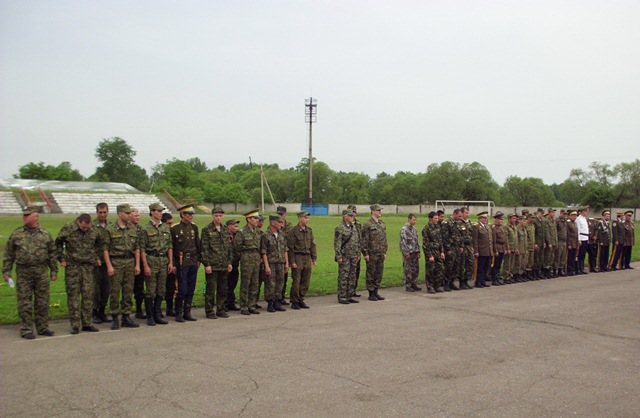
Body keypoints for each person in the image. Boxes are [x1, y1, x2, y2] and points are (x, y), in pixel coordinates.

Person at [3, 205, 58, 339]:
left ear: (35, 217)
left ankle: (42, 327)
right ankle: (26, 328)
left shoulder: (44, 234)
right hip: (23, 272)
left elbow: (52, 253)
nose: (24, 217)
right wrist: (7, 271)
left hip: (41, 271)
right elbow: (9, 254)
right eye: (24, 215)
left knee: (42, 301)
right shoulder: (17, 234)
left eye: (28, 215)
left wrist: (54, 271)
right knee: (24, 302)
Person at [55, 213, 102, 334]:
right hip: (73, 267)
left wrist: (96, 257)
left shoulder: (94, 230)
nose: (85, 229)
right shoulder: (68, 228)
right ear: (78, 222)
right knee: (73, 296)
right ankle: (75, 324)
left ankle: (87, 323)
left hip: (88, 267)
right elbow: (58, 243)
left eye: (87, 227)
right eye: (83, 227)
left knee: (88, 295)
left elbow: (99, 244)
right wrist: (61, 258)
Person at [102, 204, 141, 329]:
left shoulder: (132, 229)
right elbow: (105, 249)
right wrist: (109, 266)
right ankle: (114, 317)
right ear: (120, 213)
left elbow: (137, 248)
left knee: (128, 290)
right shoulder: (110, 229)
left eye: (130, 213)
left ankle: (126, 316)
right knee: (114, 291)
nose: (130, 215)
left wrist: (137, 264)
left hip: (129, 262)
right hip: (116, 262)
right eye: (127, 213)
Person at [139, 203, 173, 326]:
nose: (160, 213)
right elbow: (142, 248)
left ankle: (157, 314)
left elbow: (169, 246)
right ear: (152, 212)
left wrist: (170, 262)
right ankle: (150, 316)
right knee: (151, 290)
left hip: (163, 260)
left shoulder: (165, 227)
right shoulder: (145, 228)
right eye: (158, 211)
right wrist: (145, 266)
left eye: (161, 211)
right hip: (151, 260)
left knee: (161, 289)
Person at [171, 204, 201, 322]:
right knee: (182, 289)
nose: (191, 216)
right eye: (188, 214)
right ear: (182, 215)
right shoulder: (175, 228)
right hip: (182, 262)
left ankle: (187, 311)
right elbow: (172, 247)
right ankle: (178, 312)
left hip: (193, 261)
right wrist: (173, 263)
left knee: (191, 288)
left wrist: (199, 259)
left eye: (192, 214)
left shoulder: (194, 227)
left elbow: (197, 244)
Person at [200, 207, 232, 319]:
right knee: (210, 289)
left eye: (220, 216)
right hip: (212, 264)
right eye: (216, 215)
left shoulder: (224, 229)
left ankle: (220, 309)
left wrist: (229, 262)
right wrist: (207, 264)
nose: (218, 218)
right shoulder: (207, 230)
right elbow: (204, 249)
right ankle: (209, 311)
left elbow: (228, 248)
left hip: (223, 264)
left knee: (223, 288)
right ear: (212, 216)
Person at [287, 211, 317, 309]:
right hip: (297, 256)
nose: (307, 220)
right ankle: (294, 300)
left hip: (307, 256)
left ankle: (301, 298)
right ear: (299, 218)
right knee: (297, 280)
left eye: (308, 218)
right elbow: (290, 248)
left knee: (306, 280)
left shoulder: (309, 231)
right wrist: (292, 261)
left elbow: (312, 245)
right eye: (305, 218)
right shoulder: (293, 231)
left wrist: (314, 258)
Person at [235, 210, 262, 315]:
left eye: (257, 218)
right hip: (246, 257)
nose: (257, 220)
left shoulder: (258, 231)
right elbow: (237, 248)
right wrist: (242, 258)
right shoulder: (242, 232)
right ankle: (244, 306)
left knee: (255, 282)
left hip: (256, 257)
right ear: (248, 219)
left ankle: (252, 305)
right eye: (255, 218)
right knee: (246, 282)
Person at [262, 214, 290, 311]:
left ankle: (277, 302)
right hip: (271, 263)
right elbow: (264, 252)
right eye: (279, 222)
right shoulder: (266, 235)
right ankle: (270, 302)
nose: (281, 224)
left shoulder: (282, 234)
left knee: (280, 282)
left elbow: (285, 249)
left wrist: (286, 263)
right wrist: (266, 266)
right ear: (273, 223)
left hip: (281, 262)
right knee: (270, 283)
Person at [361, 204, 388, 300]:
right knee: (370, 273)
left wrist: (385, 252)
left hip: (380, 252)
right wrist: (365, 253)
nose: (380, 212)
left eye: (380, 210)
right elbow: (364, 240)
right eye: (378, 210)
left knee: (379, 273)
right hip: (372, 253)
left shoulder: (382, 224)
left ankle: (376, 291)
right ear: (372, 211)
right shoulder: (367, 224)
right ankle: (371, 292)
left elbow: (384, 239)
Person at [334, 210, 361, 304]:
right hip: (345, 256)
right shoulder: (340, 228)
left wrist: (358, 254)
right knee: (344, 276)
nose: (352, 217)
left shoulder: (354, 227)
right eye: (350, 216)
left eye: (352, 216)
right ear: (345, 216)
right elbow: (337, 243)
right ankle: (342, 296)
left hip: (353, 255)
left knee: (352, 275)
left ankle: (350, 295)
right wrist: (338, 256)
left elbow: (357, 241)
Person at [92, 202, 111, 324]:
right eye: (100, 212)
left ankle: (102, 312)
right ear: (97, 212)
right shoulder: (92, 226)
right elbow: (88, 245)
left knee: (106, 288)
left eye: (104, 212)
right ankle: (94, 312)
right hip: (95, 263)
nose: (102, 214)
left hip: (108, 262)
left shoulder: (111, 226)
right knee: (95, 289)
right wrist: (95, 258)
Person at [422, 211, 445, 294]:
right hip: (431, 251)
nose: (437, 220)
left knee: (440, 268)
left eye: (437, 218)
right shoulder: (426, 229)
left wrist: (442, 251)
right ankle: (430, 286)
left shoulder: (438, 227)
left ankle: (437, 285)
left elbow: (440, 240)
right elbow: (425, 244)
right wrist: (429, 255)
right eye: (435, 218)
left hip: (438, 251)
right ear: (430, 219)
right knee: (430, 270)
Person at [130, 209, 147, 320]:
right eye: (135, 216)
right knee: (127, 288)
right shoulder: (127, 229)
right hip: (127, 261)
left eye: (138, 216)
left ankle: (139, 309)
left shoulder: (141, 229)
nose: (137, 217)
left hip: (139, 262)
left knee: (139, 287)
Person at [441, 209, 462, 291]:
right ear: (454, 214)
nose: (460, 218)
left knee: (456, 266)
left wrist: (461, 246)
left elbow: (459, 235)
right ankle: (446, 283)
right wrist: (448, 248)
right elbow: (445, 237)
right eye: (459, 216)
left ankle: (452, 282)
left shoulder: (457, 223)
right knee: (449, 266)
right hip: (450, 248)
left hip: (456, 247)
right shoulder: (447, 223)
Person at [400, 214, 421, 292]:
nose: (415, 221)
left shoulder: (414, 229)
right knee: (408, 269)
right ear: (409, 219)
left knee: (415, 269)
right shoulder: (404, 229)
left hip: (415, 251)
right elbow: (403, 242)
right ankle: (408, 285)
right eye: (413, 220)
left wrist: (418, 251)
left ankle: (414, 283)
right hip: (409, 252)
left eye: (415, 220)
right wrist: (406, 253)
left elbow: (416, 240)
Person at [161, 213, 177, 316]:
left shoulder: (173, 233)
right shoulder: (161, 233)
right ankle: (156, 309)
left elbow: (175, 250)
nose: (171, 225)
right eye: (169, 223)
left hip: (171, 263)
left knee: (171, 287)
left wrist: (174, 264)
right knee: (159, 287)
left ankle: (169, 308)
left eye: (172, 223)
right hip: (160, 262)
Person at [277, 206, 294, 305]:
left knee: (284, 277)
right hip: (276, 254)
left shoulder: (290, 227)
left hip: (287, 254)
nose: (280, 216)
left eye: (281, 214)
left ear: (285, 214)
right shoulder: (274, 226)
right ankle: (277, 298)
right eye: (278, 214)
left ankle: (282, 297)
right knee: (276, 279)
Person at [472, 212, 492, 288]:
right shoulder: (476, 227)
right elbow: (475, 240)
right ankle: (478, 281)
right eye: (484, 218)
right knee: (480, 267)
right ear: (479, 218)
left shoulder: (487, 227)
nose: (485, 219)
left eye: (486, 218)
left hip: (487, 251)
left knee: (486, 267)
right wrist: (476, 250)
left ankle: (483, 281)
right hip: (481, 250)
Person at [347, 204, 363, 297]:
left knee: (356, 272)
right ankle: (346, 291)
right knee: (346, 273)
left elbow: (360, 239)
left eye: (354, 212)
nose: (353, 215)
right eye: (351, 213)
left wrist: (359, 252)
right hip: (347, 252)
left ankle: (353, 290)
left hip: (356, 252)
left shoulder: (358, 224)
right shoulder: (344, 224)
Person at [457, 207, 475, 290]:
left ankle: (466, 280)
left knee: (470, 264)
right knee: (462, 264)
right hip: (462, 246)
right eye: (466, 213)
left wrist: (472, 246)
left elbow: (471, 235)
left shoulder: (469, 223)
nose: (467, 214)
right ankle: (461, 282)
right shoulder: (459, 223)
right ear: (462, 213)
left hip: (469, 246)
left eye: (468, 213)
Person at [225, 219, 241, 311]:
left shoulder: (237, 235)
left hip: (235, 263)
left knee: (233, 283)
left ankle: (231, 302)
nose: (237, 228)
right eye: (235, 226)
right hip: (226, 263)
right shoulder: (224, 236)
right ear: (229, 227)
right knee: (226, 284)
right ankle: (225, 303)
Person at [490, 211, 506, 286]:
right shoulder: (494, 228)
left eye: (502, 219)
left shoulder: (501, 228)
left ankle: (497, 278)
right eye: (500, 219)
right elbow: (494, 240)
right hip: (497, 248)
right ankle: (494, 279)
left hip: (502, 248)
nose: (501, 221)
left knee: (499, 265)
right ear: (496, 220)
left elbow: (504, 239)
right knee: (495, 265)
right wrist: (495, 250)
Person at [503, 213, 518, 284]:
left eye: (515, 218)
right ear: (509, 219)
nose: (514, 220)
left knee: (512, 263)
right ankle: (506, 277)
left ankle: (510, 275)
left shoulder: (514, 227)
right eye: (513, 218)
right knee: (507, 264)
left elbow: (515, 238)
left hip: (514, 248)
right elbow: (506, 239)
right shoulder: (506, 227)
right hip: (509, 248)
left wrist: (516, 248)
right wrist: (507, 248)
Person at [576, 207, 590, 274]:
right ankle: (579, 268)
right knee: (580, 254)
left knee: (583, 254)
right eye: (585, 211)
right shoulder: (578, 219)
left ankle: (582, 267)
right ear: (582, 212)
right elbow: (578, 230)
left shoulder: (584, 219)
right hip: (581, 237)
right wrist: (579, 239)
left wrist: (587, 239)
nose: (586, 213)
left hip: (585, 237)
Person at [555, 210, 568, 277]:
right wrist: (556, 241)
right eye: (563, 214)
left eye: (565, 214)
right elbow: (555, 232)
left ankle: (561, 269)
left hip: (564, 240)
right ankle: (555, 270)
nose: (565, 215)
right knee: (558, 256)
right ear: (560, 213)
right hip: (559, 240)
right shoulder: (557, 221)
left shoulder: (565, 221)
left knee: (563, 256)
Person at [533, 208, 545, 279]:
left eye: (543, 213)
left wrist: (544, 242)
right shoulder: (535, 221)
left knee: (540, 258)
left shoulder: (542, 221)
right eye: (541, 213)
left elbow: (543, 233)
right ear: (538, 213)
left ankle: (538, 272)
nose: (542, 215)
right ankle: (534, 272)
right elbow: (534, 233)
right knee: (536, 259)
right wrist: (535, 243)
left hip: (541, 243)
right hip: (537, 242)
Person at [567, 211, 579, 276]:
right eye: (573, 216)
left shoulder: (575, 224)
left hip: (575, 243)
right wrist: (569, 244)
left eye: (575, 216)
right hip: (571, 242)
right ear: (570, 216)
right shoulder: (568, 223)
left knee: (573, 257)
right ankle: (569, 270)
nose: (575, 217)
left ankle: (572, 269)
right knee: (570, 257)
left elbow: (576, 234)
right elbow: (568, 234)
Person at [525, 214, 537, 279]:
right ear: (528, 218)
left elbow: (533, 236)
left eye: (534, 218)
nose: (533, 219)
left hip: (532, 245)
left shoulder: (532, 226)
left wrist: (535, 244)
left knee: (531, 261)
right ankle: (525, 274)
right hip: (527, 246)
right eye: (532, 218)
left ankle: (529, 273)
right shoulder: (526, 225)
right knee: (526, 261)